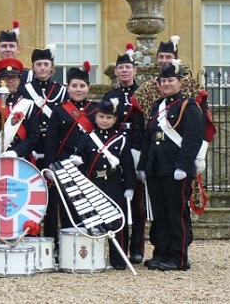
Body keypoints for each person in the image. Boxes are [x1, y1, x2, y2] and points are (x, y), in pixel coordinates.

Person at [137, 63, 203, 271]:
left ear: (180, 82)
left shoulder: (188, 106)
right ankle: (162, 253)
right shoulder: (158, 107)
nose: (166, 84)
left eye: (170, 80)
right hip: (157, 168)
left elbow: (193, 139)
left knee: (176, 214)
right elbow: (149, 139)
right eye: (163, 81)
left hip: (176, 170)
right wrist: (144, 167)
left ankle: (179, 258)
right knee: (160, 214)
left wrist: (183, 166)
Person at [74, 99, 136, 270]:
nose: (105, 120)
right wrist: (77, 161)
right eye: (102, 116)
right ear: (96, 117)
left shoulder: (121, 139)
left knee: (117, 222)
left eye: (109, 117)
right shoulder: (87, 138)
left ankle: (119, 259)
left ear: (115, 119)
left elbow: (128, 166)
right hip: (93, 184)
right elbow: (81, 161)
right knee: (92, 220)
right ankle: (94, 258)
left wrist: (129, 187)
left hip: (114, 184)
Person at [43, 62, 98, 247]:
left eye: (82, 86)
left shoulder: (96, 110)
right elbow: (51, 140)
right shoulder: (59, 110)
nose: (78, 89)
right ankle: (66, 248)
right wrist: (50, 166)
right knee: (67, 206)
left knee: (89, 205)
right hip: (64, 164)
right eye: (74, 86)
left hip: (89, 164)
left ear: (88, 88)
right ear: (68, 88)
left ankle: (89, 245)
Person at [102, 47, 146, 265]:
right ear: (116, 72)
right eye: (120, 68)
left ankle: (137, 248)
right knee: (118, 201)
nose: (124, 71)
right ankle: (119, 248)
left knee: (137, 204)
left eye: (128, 67)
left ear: (134, 70)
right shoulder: (111, 96)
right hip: (116, 153)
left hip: (136, 150)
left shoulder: (144, 94)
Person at [0, 57, 39, 161]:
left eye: (14, 77)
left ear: (19, 79)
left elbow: (33, 136)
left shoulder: (28, 105)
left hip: (22, 159)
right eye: (6, 77)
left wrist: (16, 152)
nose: (10, 81)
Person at [20, 45, 68, 168]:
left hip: (54, 143)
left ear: (51, 67)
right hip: (32, 144)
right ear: (33, 67)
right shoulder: (24, 90)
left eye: (46, 64)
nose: (42, 68)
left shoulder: (61, 90)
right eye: (38, 64)